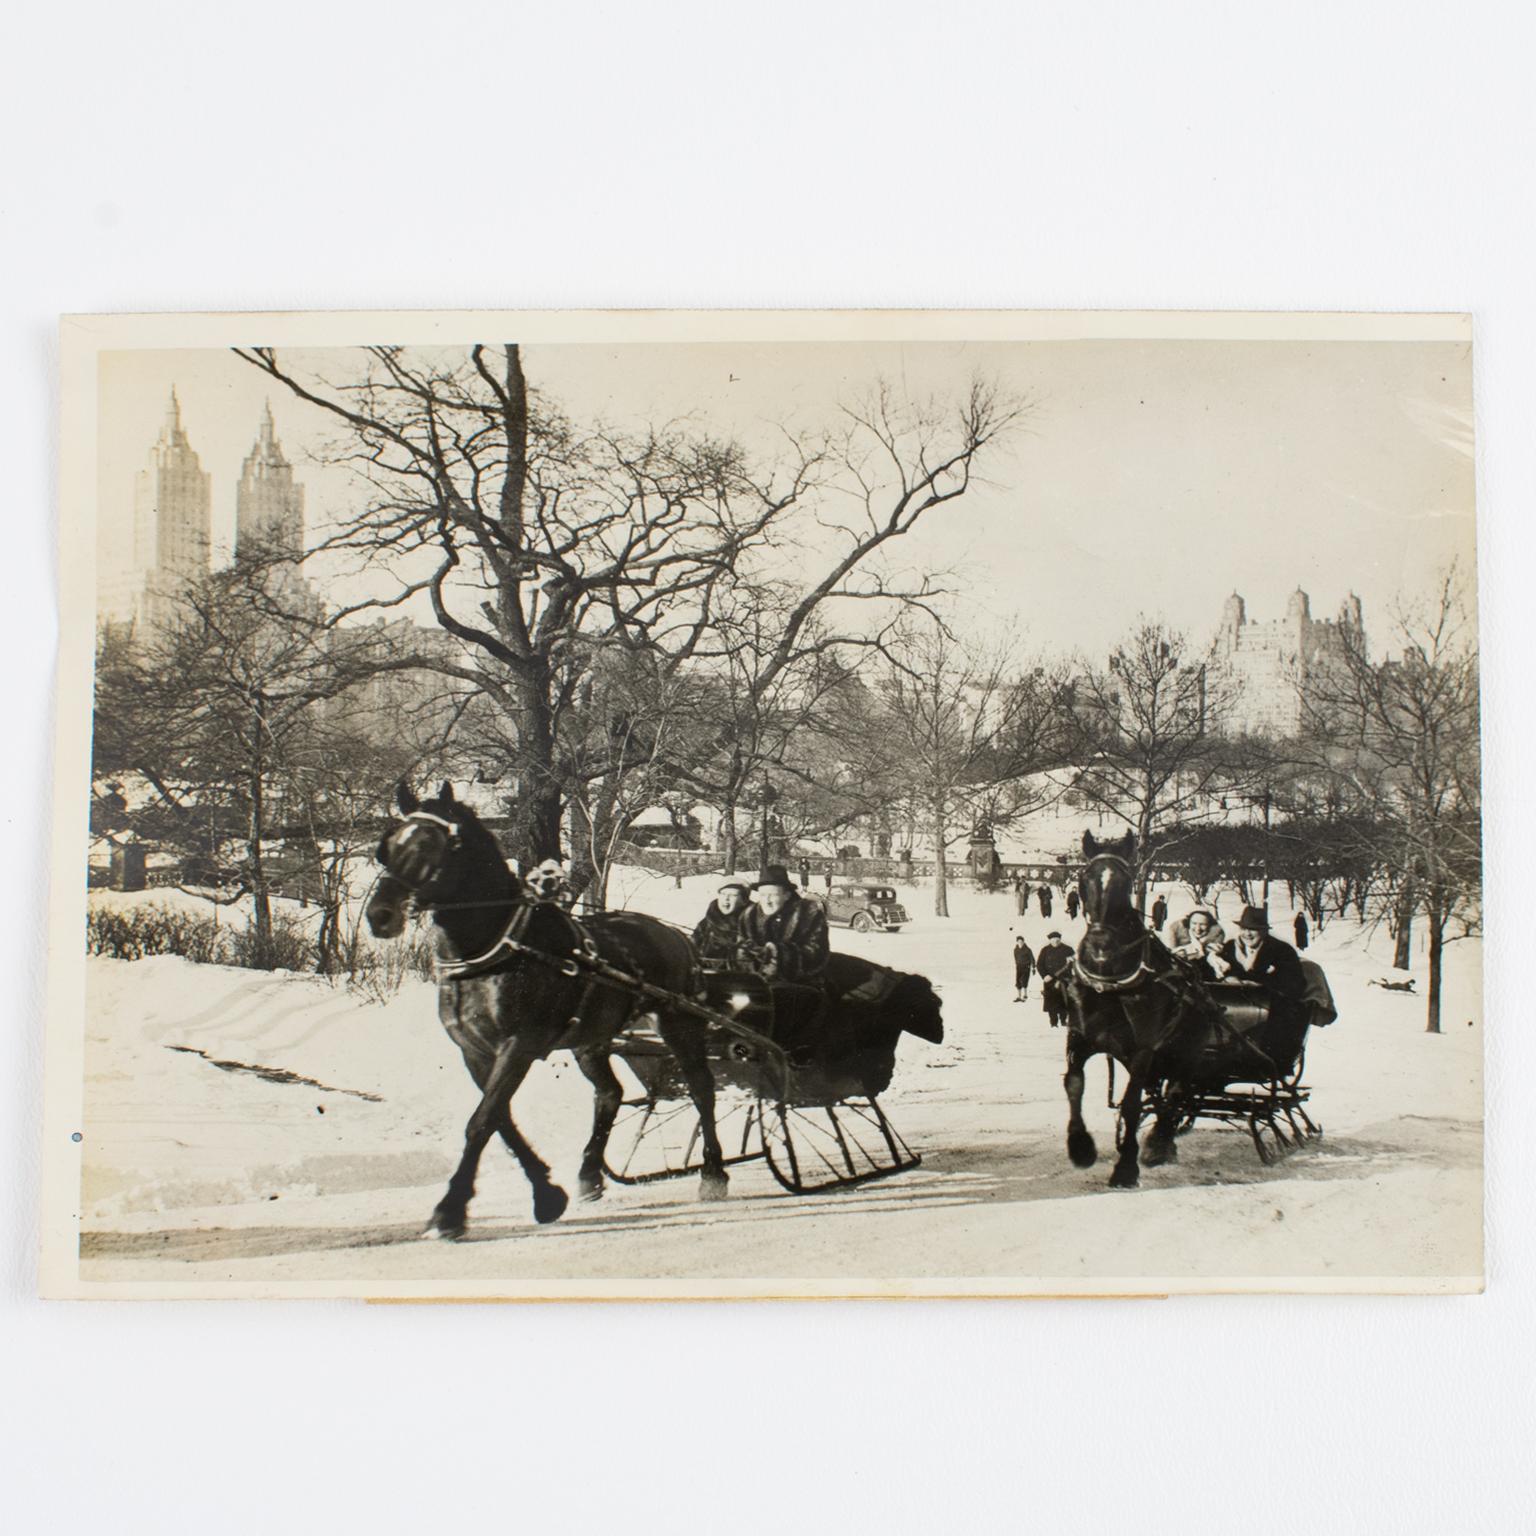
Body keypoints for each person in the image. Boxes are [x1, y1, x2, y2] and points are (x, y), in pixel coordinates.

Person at [738, 865, 830, 986]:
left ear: (787, 895)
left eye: (773, 895)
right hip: (755, 985)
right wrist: (747, 958)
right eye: (763, 895)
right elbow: (740, 948)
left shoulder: (808, 915)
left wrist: (780, 956)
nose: (767, 900)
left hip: (800, 985)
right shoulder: (748, 916)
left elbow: (817, 953)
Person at [1211, 905, 1306, 1000]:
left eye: (1253, 929)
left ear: (1264, 931)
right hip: (1234, 1004)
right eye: (1244, 928)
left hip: (1270, 1005)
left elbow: (1294, 985)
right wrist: (1227, 979)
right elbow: (1216, 975)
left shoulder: (1282, 950)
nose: (1247, 934)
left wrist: (1258, 985)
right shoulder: (1230, 947)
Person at [692, 881, 749, 967]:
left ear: (743, 900)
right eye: (723, 894)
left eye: (733, 895)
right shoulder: (707, 922)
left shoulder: (750, 922)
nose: (726, 898)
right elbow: (693, 947)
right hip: (706, 973)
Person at [1167, 908, 1226, 973]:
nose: (1198, 929)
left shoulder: (1217, 933)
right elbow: (1171, 953)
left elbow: (1213, 954)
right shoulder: (1176, 930)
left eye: (1202, 924)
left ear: (1209, 925)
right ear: (1188, 923)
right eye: (1194, 923)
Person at [1036, 930, 1074, 1026]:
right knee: (1051, 1002)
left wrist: (1072, 963)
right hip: (1049, 981)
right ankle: (1053, 1022)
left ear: (1060, 939)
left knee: (1063, 1001)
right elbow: (1039, 965)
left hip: (1064, 980)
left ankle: (1063, 1020)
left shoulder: (1068, 949)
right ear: (1050, 940)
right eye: (1053, 940)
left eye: (1057, 940)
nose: (1055, 942)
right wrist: (1044, 976)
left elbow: (1074, 964)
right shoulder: (1045, 950)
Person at [1012, 936, 1035, 1002]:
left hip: (1026, 967)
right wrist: (1017, 964)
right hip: (1019, 967)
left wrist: (1033, 967)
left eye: (1021, 941)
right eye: (1019, 941)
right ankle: (1019, 996)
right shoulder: (1015, 950)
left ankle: (1025, 995)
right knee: (1018, 981)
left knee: (1024, 980)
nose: (1020, 943)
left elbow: (1032, 959)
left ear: (1023, 942)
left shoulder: (1028, 950)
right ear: (1017, 942)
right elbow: (1015, 957)